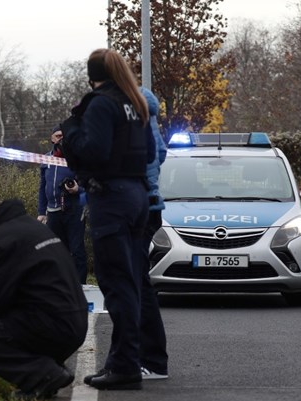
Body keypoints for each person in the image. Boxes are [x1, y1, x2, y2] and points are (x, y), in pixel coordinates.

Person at [60, 48, 155, 390]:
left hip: (112, 199)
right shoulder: (135, 103)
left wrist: (70, 130)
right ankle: (124, 360)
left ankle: (125, 366)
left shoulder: (101, 103)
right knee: (130, 282)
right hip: (137, 196)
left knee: (117, 285)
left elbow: (93, 152)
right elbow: (149, 154)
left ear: (90, 74)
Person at [0, 185, 88, 400]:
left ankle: (43, 375)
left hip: (54, 328)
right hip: (75, 323)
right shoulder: (32, 227)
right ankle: (47, 369)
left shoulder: (2, 240)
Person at [138, 86, 169, 380]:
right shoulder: (149, 110)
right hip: (153, 203)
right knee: (139, 282)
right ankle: (150, 358)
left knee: (136, 284)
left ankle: (151, 359)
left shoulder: (129, 108)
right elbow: (160, 153)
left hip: (138, 204)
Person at [37, 123, 89, 283]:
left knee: (76, 249)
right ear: (52, 139)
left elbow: (89, 183)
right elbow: (42, 187)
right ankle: (60, 284)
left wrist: (78, 189)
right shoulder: (46, 159)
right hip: (53, 211)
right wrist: (41, 211)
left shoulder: (77, 159)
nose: (61, 140)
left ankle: (80, 286)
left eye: (63, 137)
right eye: (58, 136)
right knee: (56, 250)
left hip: (74, 209)